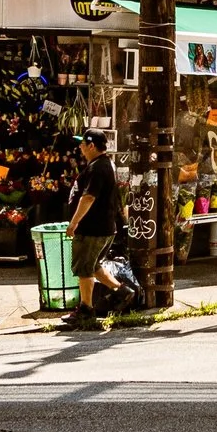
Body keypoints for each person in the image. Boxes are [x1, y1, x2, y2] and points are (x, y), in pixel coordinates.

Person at [62, 131, 120, 327]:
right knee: (94, 265)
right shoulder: (104, 164)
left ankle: (86, 310)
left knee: (84, 269)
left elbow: (88, 197)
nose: (80, 148)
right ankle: (122, 292)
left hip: (92, 229)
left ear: (92, 146)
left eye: (83, 144)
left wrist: (74, 223)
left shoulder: (98, 168)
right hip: (102, 227)